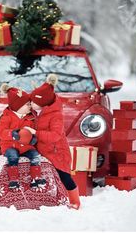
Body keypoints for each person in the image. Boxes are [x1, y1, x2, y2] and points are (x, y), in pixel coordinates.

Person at [25, 74, 81, 210]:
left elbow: (55, 136)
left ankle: (75, 201)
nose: (30, 104)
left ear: (42, 103)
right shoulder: (37, 113)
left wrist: (35, 133)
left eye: (33, 102)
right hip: (44, 152)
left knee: (64, 177)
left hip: (57, 153)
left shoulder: (56, 115)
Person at [0, 83, 46, 190]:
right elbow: (0, 132)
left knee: (35, 155)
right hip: (10, 145)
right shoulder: (7, 117)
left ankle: (35, 178)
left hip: (26, 147)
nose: (30, 106)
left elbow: (34, 131)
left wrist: (33, 139)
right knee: (13, 156)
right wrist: (12, 134)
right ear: (18, 106)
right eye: (27, 104)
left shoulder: (31, 117)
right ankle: (13, 180)